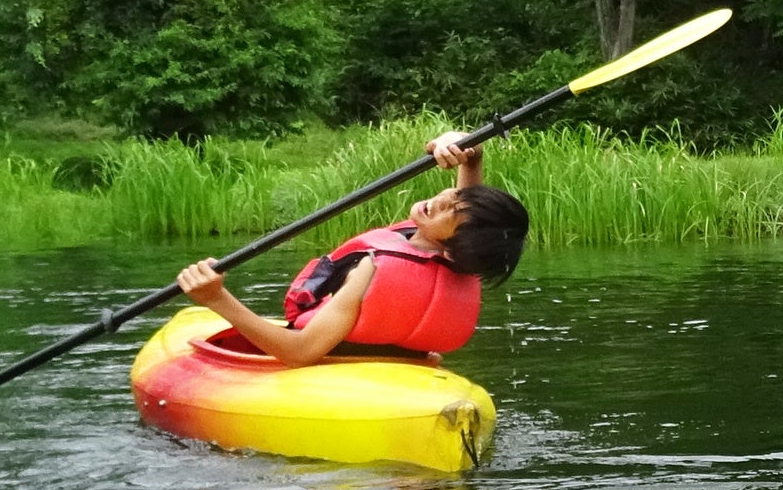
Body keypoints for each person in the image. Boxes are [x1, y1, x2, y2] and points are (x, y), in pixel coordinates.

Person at [173, 136, 531, 367]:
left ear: (459, 242)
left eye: (452, 213)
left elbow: (300, 352)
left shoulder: (372, 270)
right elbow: (471, 211)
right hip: (412, 367)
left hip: (329, 361)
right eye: (454, 198)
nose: (440, 201)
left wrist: (217, 298)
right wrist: (470, 155)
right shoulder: (462, 260)